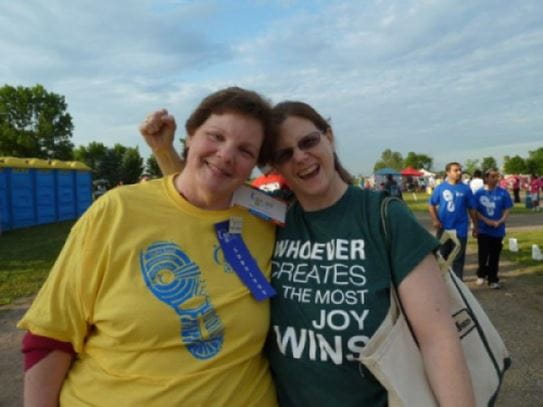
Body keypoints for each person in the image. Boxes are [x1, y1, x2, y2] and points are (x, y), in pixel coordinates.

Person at [150, 101, 476, 406]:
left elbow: (438, 339)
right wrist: (164, 150)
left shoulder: (383, 216)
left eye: (308, 142)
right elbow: (202, 191)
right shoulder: (273, 216)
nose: (301, 157)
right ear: (275, 165)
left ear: (328, 137)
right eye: (285, 153)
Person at [17, 87, 280, 406]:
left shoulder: (264, 219)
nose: (226, 154)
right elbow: (50, 334)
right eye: (216, 136)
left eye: (245, 151)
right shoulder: (116, 211)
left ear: (253, 165)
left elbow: (327, 201)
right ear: (190, 136)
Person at [428, 162, 478, 280]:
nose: (459, 173)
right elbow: (431, 204)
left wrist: (475, 225)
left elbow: (471, 208)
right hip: (443, 227)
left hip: (460, 229)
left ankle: (458, 283)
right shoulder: (440, 188)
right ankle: (440, 281)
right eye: (456, 170)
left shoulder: (466, 189)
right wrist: (435, 220)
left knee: (458, 258)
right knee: (441, 256)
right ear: (448, 173)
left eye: (460, 170)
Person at [474, 168, 513, 289]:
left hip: (498, 229)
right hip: (483, 229)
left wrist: (500, 221)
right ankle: (481, 274)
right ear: (486, 178)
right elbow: (475, 211)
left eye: (497, 176)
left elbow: (507, 209)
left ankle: (493, 279)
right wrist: (486, 220)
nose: (496, 179)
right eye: (493, 176)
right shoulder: (479, 193)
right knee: (483, 254)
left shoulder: (503, 192)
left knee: (494, 256)